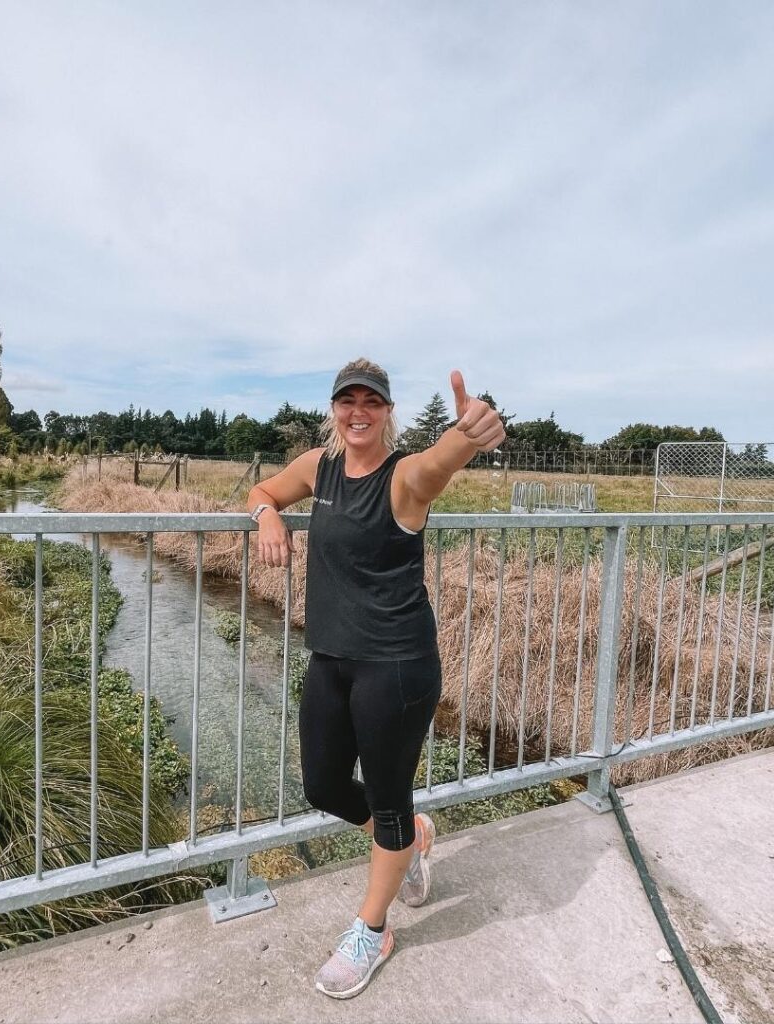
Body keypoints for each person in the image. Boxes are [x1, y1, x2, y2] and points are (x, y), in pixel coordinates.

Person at [247, 357, 506, 999]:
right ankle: (411, 840)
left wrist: (465, 435)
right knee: (323, 784)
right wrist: (268, 518)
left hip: (397, 665)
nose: (357, 411)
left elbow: (437, 464)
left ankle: (372, 928)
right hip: (331, 659)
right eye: (346, 400)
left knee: (388, 799)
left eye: (371, 401)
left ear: (388, 412)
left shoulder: (404, 480)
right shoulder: (319, 466)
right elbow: (264, 490)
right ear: (334, 408)